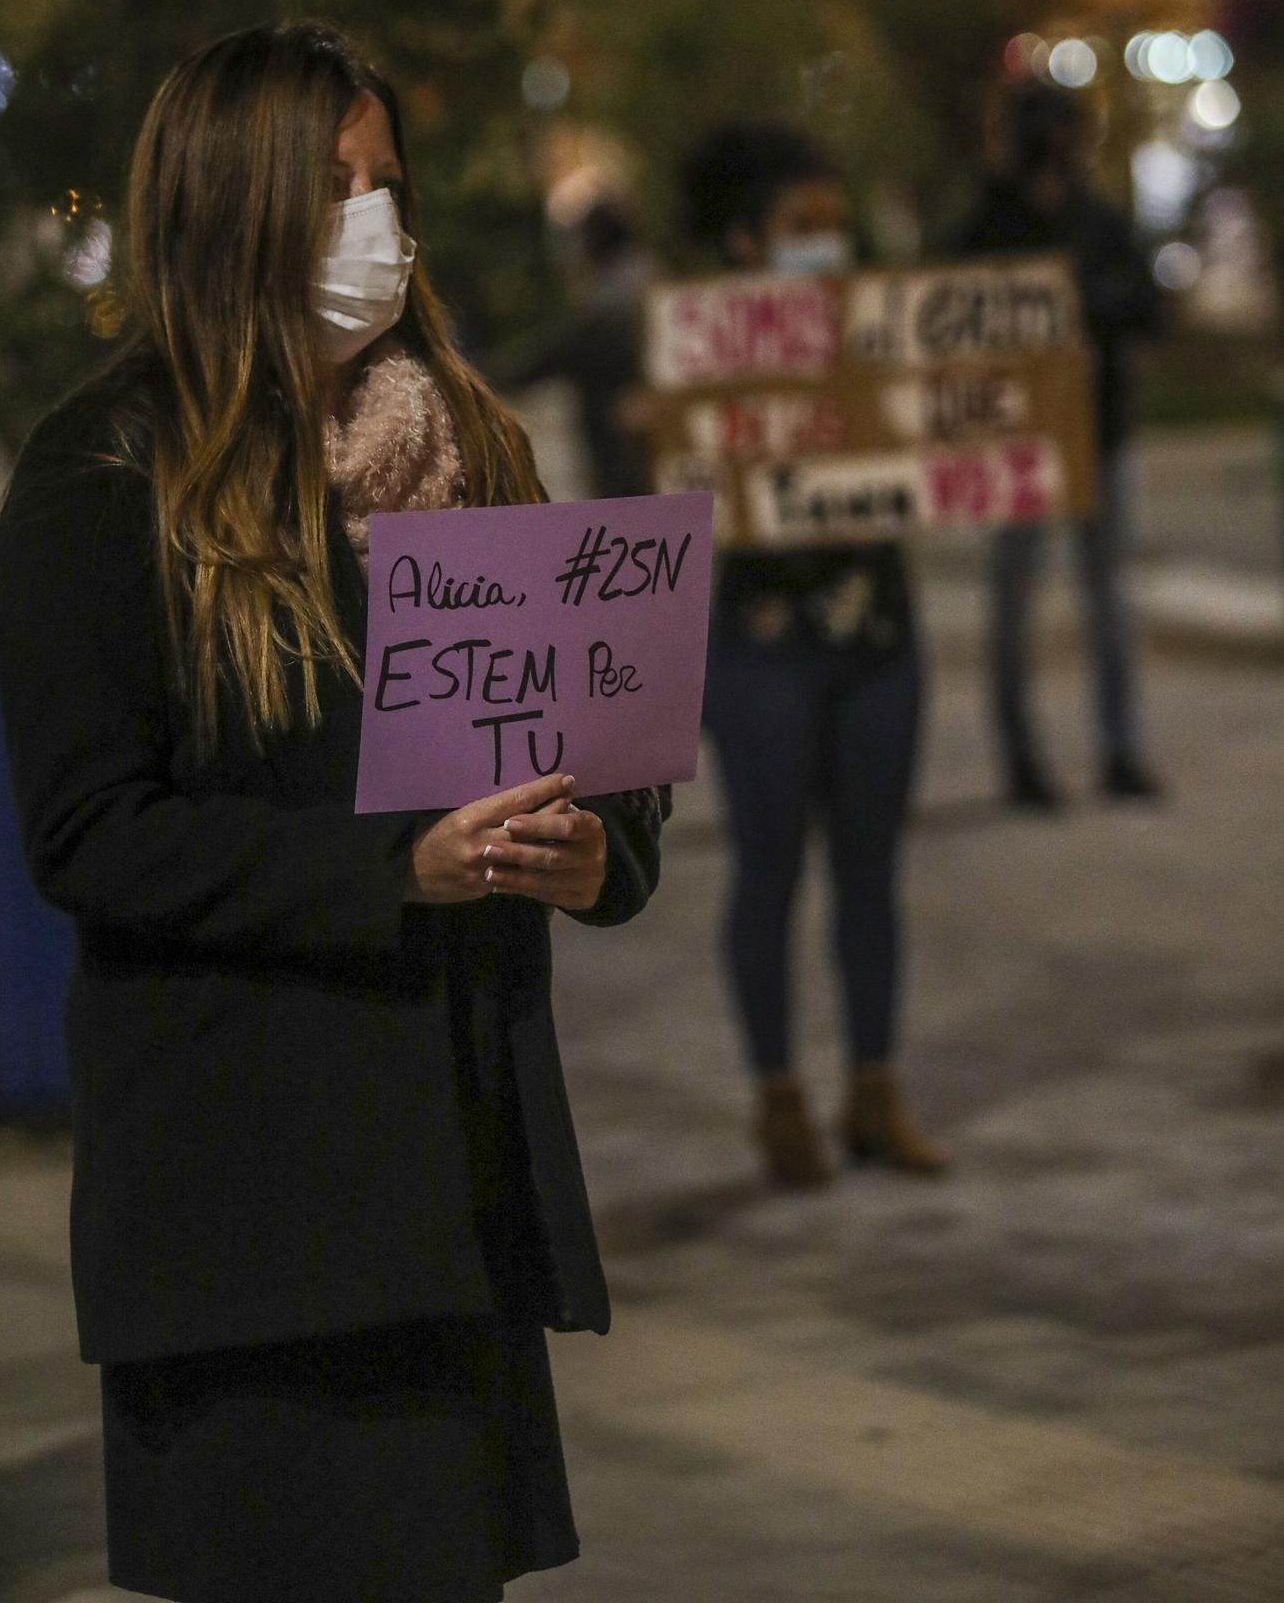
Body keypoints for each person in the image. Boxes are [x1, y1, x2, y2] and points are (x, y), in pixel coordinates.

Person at [0, 21, 667, 1603]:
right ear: (229, 205)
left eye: (383, 182)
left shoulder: (469, 446)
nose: (369, 220)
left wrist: (596, 856)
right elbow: (90, 832)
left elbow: (599, 751)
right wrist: (395, 867)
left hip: (450, 1196)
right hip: (250, 1225)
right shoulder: (104, 477)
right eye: (328, 184)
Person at [682, 121, 945, 1191]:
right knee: (771, 865)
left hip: (878, 637)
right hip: (758, 651)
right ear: (745, 242)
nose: (825, 246)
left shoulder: (880, 340)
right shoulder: (694, 353)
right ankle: (780, 1097)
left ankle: (874, 1089)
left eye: (837, 227)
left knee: (872, 872)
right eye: (802, 227)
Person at [954, 78, 1164, 808]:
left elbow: (1146, 305)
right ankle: (1021, 760)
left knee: (1106, 600)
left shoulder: (1098, 220)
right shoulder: (985, 220)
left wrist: (1079, 311)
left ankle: (1118, 751)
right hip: (1018, 446)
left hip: (1097, 434)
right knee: (1014, 605)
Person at [494, 193, 653, 501]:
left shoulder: (608, 299)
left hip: (622, 447)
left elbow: (553, 354)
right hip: (650, 443)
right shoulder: (651, 277)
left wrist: (485, 377)